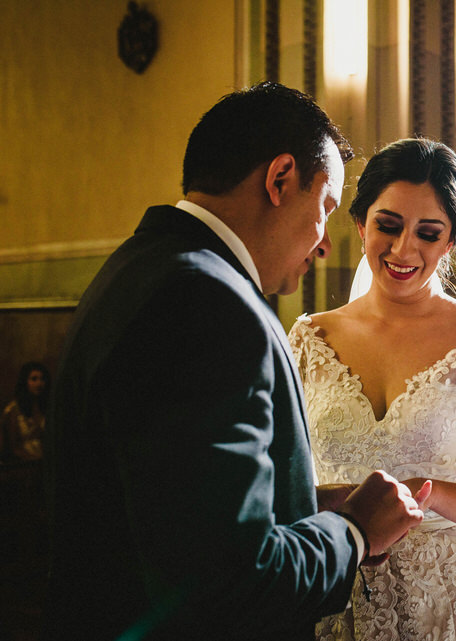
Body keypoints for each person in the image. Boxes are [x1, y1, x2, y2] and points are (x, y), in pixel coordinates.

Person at [43, 83, 427, 641]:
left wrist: (299, 504)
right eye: (324, 207)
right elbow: (228, 582)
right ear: (279, 180)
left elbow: (167, 502)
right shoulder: (209, 305)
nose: (324, 244)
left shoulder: (138, 266)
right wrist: (354, 531)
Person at [287, 138, 456, 640]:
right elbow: (280, 479)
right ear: (360, 224)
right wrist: (337, 504)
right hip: (335, 581)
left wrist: (422, 496)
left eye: (428, 234)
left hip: (455, 598)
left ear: (450, 243)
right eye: (387, 225)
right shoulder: (308, 339)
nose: (403, 249)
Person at [1, 361, 49, 462]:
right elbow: (13, 447)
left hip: (46, 462)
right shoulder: (13, 410)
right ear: (25, 381)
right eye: (34, 379)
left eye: (42, 379)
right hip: (23, 465)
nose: (39, 383)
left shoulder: (47, 407)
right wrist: (33, 459)